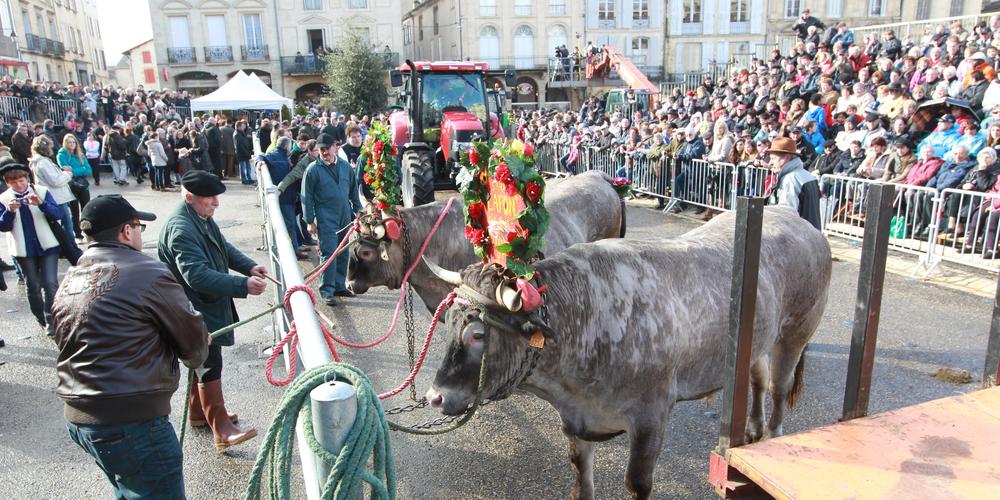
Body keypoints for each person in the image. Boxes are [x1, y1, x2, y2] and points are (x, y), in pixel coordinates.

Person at [54, 195, 208, 499]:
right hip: (131, 422)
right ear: (127, 231)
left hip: (80, 418)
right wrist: (200, 345)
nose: (139, 234)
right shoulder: (146, 271)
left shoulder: (71, 277)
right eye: (139, 227)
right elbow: (192, 342)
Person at [157, 170, 265, 449]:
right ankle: (221, 429)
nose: (216, 202)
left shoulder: (199, 218)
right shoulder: (181, 229)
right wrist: (243, 285)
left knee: (205, 360)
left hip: (203, 306)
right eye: (210, 198)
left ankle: (198, 413)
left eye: (217, 196)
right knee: (208, 363)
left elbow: (223, 248)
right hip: (193, 310)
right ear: (190, 197)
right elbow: (197, 276)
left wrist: (248, 266)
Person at [0, 161, 63, 337]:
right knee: (33, 285)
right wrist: (9, 212)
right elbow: (3, 226)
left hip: (48, 245)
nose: (19, 185)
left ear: (27, 179)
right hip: (23, 249)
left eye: (21, 180)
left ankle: (52, 320)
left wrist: (41, 204)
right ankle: (41, 319)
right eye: (14, 182)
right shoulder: (3, 199)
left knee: (50, 284)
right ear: (7, 183)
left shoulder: (41, 191)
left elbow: (58, 214)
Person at [301, 133, 361, 306]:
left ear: (336, 147)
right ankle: (327, 290)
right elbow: (307, 197)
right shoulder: (313, 170)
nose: (324, 152)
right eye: (321, 149)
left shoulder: (345, 167)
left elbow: (353, 191)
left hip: (344, 216)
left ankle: (339, 285)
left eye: (327, 148)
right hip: (325, 217)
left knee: (343, 252)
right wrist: (309, 221)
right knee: (329, 254)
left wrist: (358, 211)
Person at [30, 136, 81, 258]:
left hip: (55, 197)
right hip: (57, 197)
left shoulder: (40, 161)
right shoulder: (42, 162)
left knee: (63, 225)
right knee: (67, 225)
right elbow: (55, 181)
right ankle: (71, 249)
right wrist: (68, 173)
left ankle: (67, 249)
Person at [767, 136, 822, 230]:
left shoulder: (790, 180)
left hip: (799, 237)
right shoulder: (808, 176)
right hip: (812, 236)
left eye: (773, 158)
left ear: (787, 157)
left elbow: (786, 216)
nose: (770, 163)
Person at [58, 133, 91, 241]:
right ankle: (78, 234)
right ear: (65, 143)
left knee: (86, 209)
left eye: (73, 142)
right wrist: (81, 169)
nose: (71, 144)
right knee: (74, 211)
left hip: (83, 185)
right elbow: (64, 169)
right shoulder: (61, 155)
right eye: (69, 142)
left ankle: (88, 232)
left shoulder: (80, 154)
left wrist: (74, 170)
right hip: (70, 186)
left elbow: (88, 169)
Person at [235, 120, 255, 185]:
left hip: (246, 153)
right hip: (242, 153)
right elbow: (239, 146)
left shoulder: (241, 133)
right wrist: (247, 152)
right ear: (239, 127)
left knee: (247, 167)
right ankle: (244, 179)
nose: (244, 127)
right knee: (243, 167)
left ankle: (248, 178)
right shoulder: (237, 134)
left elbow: (244, 143)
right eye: (242, 126)